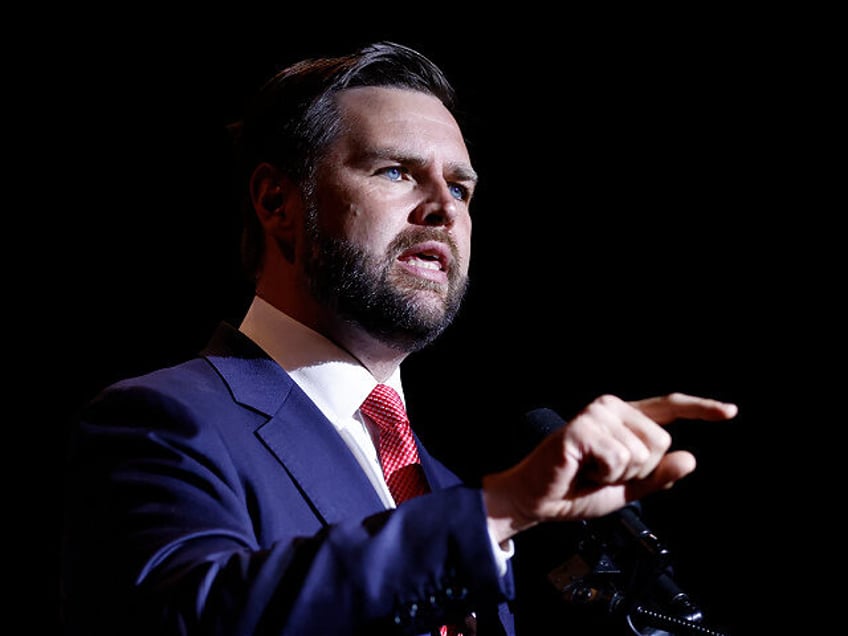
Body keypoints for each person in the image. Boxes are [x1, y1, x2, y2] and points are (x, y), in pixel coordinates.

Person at [61, 41, 738, 636]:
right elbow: (194, 617)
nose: (444, 207)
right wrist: (499, 509)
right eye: (395, 171)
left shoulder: (440, 488)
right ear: (277, 204)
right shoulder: (164, 421)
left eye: (463, 188)